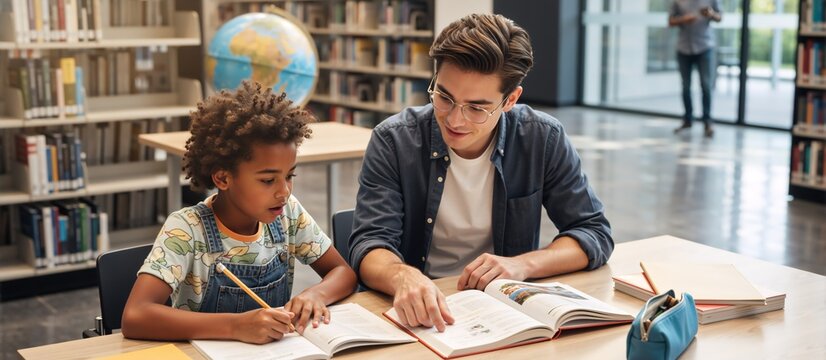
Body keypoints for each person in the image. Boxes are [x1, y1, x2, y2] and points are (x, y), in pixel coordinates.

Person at [348, 14, 613, 333]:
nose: (454, 120)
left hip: (501, 311)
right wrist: (403, 276)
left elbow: (592, 231)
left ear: (510, 100)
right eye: (444, 97)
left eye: (476, 108)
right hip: (418, 312)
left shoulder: (542, 138)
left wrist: (523, 264)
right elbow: (370, 242)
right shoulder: (394, 140)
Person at [121, 81, 357, 344]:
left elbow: (343, 272)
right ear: (223, 178)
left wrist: (317, 294)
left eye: (289, 176)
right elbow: (135, 316)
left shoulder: (288, 214)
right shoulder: (187, 230)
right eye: (268, 180)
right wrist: (235, 327)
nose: (284, 191)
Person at [669, 0, 722, 137]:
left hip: (705, 46)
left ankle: (707, 121)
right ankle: (687, 119)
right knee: (685, 86)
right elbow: (670, 21)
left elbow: (719, 17)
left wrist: (711, 14)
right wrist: (683, 19)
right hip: (683, 47)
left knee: (706, 85)